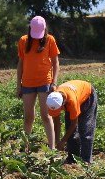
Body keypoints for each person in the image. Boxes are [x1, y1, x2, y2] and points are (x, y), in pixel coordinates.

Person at [16, 16, 60, 150]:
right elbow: (20, 64)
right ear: (30, 29)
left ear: (44, 29)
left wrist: (54, 82)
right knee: (28, 117)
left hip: (44, 82)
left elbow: (55, 63)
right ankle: (25, 147)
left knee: (46, 116)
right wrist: (19, 85)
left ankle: (52, 148)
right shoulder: (23, 41)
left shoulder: (50, 40)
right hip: (27, 84)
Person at [45, 80, 98, 164]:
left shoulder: (72, 101)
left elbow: (74, 124)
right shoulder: (53, 100)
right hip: (74, 94)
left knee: (85, 129)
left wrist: (63, 141)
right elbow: (56, 122)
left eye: (60, 109)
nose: (60, 111)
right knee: (70, 131)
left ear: (63, 103)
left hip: (88, 95)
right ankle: (72, 159)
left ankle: (86, 161)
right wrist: (57, 141)